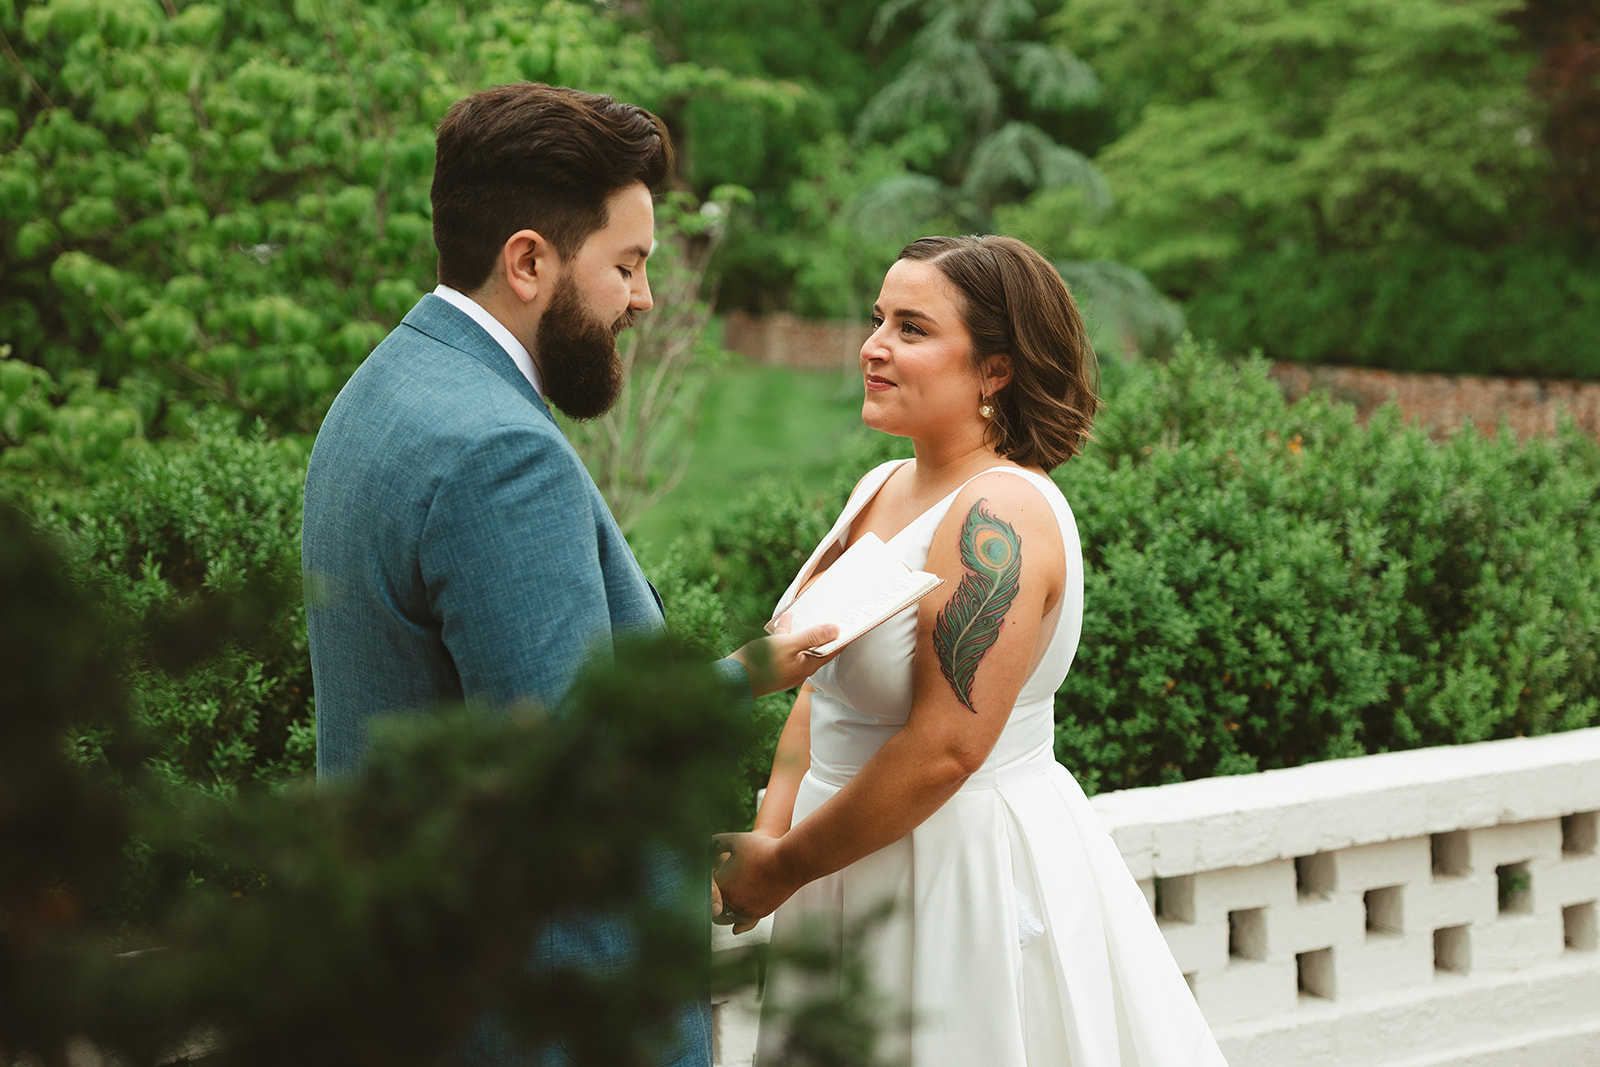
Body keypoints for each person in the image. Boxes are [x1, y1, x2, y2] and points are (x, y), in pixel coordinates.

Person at [301, 82, 835, 1066]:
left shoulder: (383, 388)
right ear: (528, 260)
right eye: (627, 265)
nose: (644, 297)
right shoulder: (500, 454)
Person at [711, 235, 1227, 1065]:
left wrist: (786, 865)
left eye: (912, 329)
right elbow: (821, 684)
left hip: (947, 869)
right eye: (878, 319)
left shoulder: (1002, 513)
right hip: (833, 858)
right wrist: (773, 836)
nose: (873, 346)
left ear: (995, 370)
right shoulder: (880, 485)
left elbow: (948, 748)